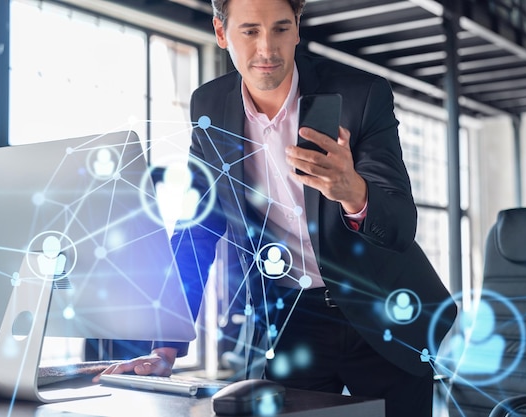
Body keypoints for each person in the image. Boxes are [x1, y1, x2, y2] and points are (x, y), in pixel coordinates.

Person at [95, 0, 456, 415]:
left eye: (281, 29)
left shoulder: (361, 95)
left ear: (298, 28)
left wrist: (354, 192)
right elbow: (198, 229)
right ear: (220, 31)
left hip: (384, 313)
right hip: (291, 318)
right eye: (249, 31)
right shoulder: (210, 107)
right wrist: (165, 345)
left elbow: (398, 225)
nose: (267, 49)